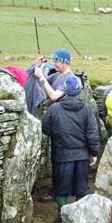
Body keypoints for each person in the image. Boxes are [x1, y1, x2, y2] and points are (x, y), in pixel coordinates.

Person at [41, 75, 99, 223]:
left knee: (61, 189)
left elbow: (45, 129)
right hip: (81, 155)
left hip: (61, 155)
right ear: (79, 90)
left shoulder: (54, 109)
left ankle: (62, 219)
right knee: (81, 188)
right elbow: (92, 134)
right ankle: (80, 220)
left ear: (65, 90)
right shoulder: (86, 109)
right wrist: (94, 153)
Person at [32, 48, 74, 203]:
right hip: (58, 123)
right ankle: (61, 190)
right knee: (57, 158)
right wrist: (37, 67)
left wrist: (42, 77)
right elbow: (38, 83)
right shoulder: (55, 75)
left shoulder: (70, 79)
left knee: (62, 159)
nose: (54, 63)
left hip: (67, 125)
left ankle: (59, 192)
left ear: (66, 62)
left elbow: (54, 96)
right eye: (54, 60)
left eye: (57, 61)